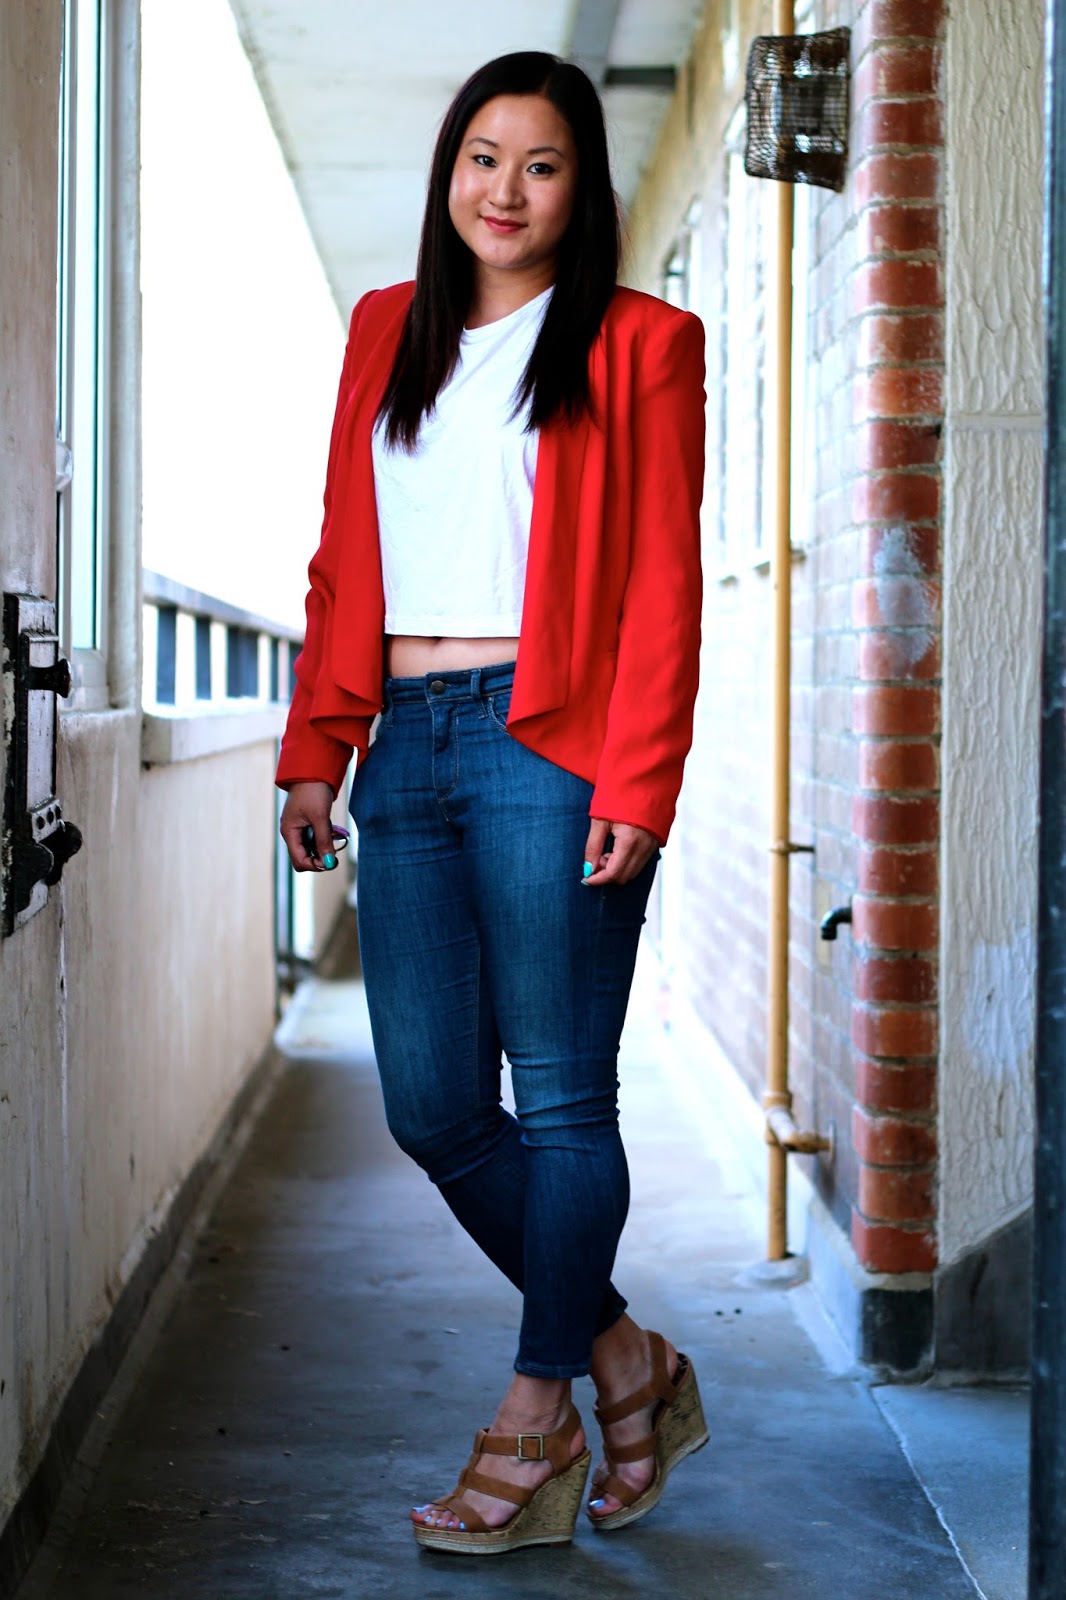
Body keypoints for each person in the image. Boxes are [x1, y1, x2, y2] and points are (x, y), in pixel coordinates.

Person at [276, 50, 707, 1557]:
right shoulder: (384, 331)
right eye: (481, 156)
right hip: (403, 745)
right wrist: (312, 746)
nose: (504, 191)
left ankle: (534, 1409)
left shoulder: (640, 345)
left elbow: (659, 585)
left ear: (579, 187)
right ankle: (621, 1355)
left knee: (563, 1095)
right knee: (437, 1106)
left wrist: (637, 781)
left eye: (540, 164)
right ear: (446, 170)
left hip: (552, 743)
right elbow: (344, 551)